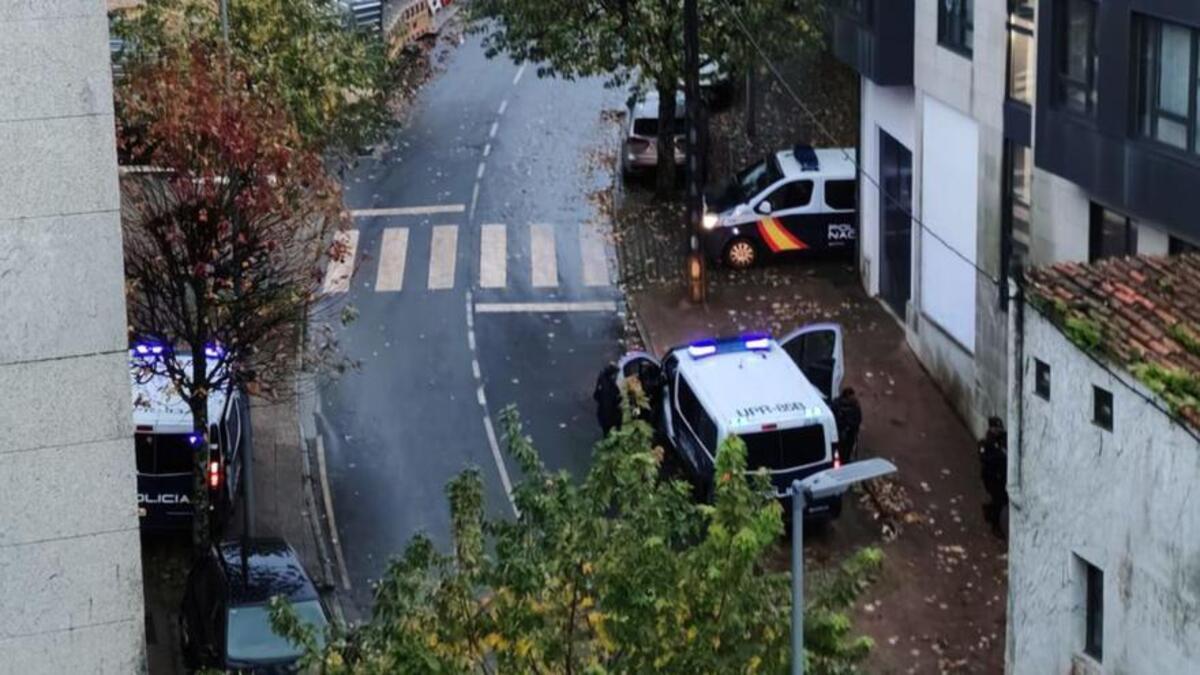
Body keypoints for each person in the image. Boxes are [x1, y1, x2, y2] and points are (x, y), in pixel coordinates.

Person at [979, 416, 1008, 538]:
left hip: (1001, 476)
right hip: (991, 477)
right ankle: (995, 525)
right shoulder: (986, 444)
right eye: (996, 428)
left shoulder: (1002, 439)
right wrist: (999, 455)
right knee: (998, 501)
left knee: (1003, 500)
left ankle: (989, 511)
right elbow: (985, 459)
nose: (998, 431)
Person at [830, 387, 863, 462]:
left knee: (839, 452)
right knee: (843, 452)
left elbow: (858, 420)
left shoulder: (836, 403)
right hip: (844, 435)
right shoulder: (853, 406)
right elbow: (858, 420)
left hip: (841, 435)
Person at [593, 363, 621, 436]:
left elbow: (596, 395)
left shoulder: (602, 379)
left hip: (603, 413)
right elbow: (614, 398)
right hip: (609, 414)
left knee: (606, 430)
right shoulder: (609, 386)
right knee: (611, 430)